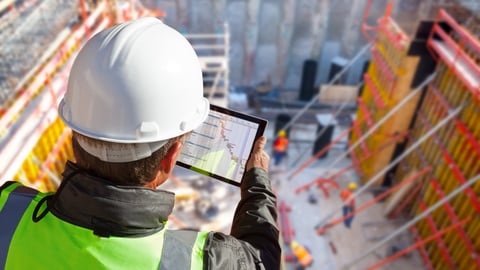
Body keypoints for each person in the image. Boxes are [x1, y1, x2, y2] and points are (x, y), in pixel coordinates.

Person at [0, 17, 280, 269]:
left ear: (75, 131)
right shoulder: (196, 262)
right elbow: (262, 259)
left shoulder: (7, 209)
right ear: (170, 158)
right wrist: (256, 183)